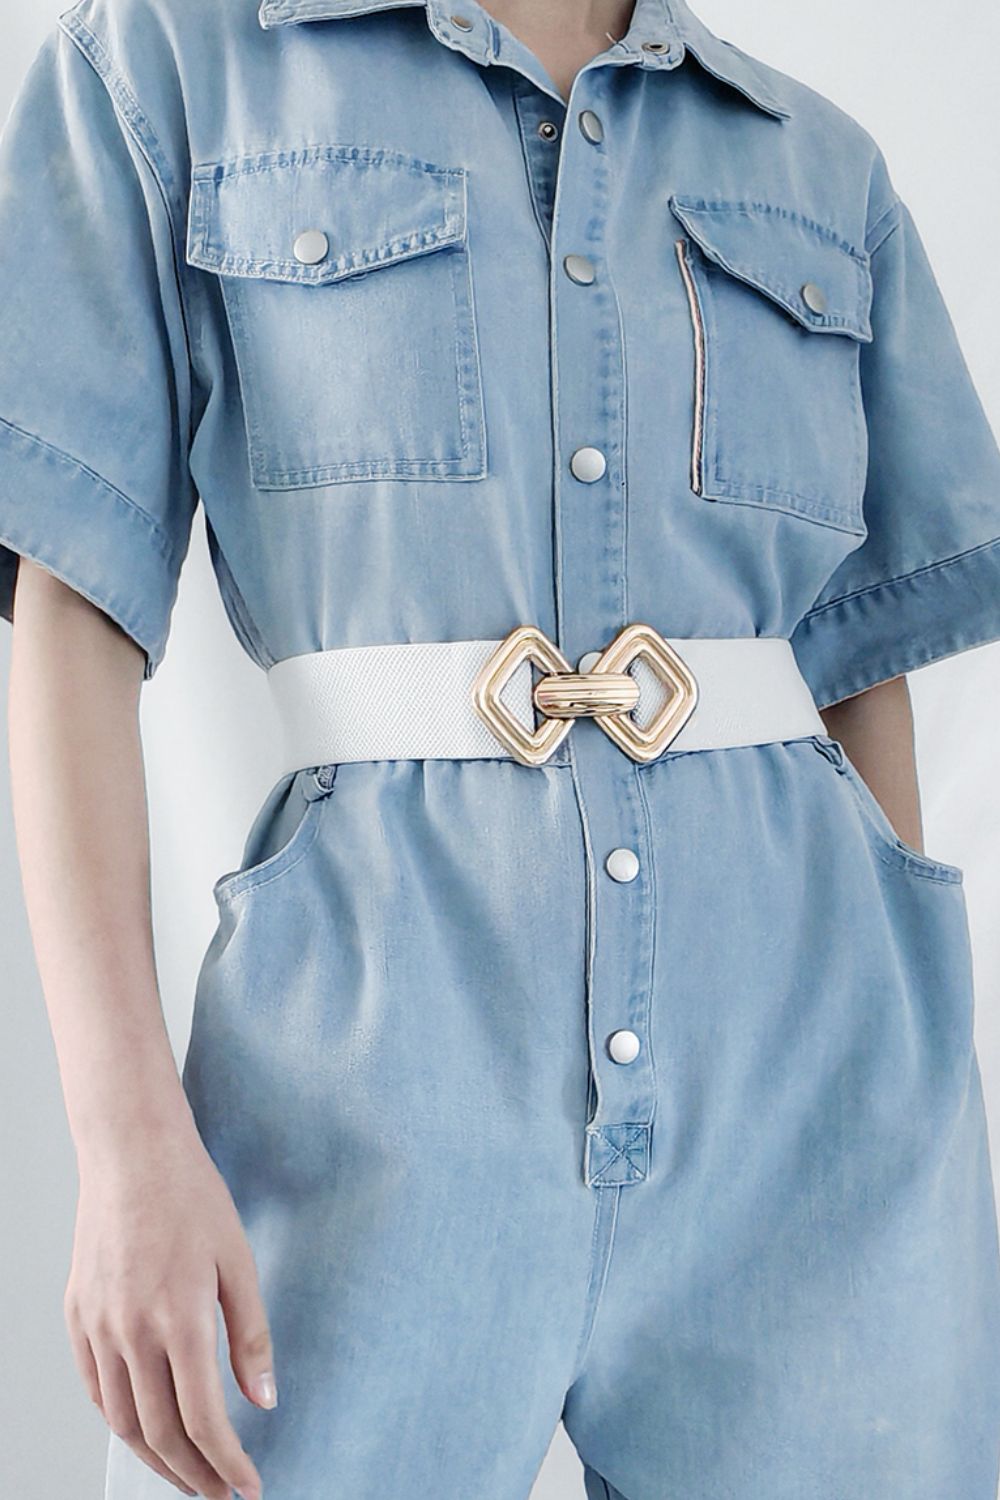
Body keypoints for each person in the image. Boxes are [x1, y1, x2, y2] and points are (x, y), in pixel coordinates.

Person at [2, 0, 1000, 1496]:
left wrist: (906, 1085)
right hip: (359, 1101)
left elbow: (861, 668)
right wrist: (123, 1141)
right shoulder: (165, 63)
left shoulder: (819, 163)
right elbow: (71, 611)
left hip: (819, 1107)